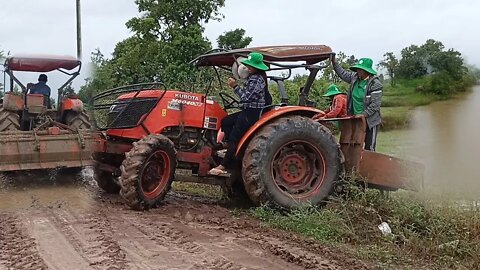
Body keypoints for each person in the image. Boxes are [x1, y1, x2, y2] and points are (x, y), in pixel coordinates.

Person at [208, 52, 269, 175]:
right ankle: (226, 144)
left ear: (257, 67)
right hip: (248, 110)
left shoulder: (257, 79)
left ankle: (223, 165)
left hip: (252, 113)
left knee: (235, 138)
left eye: (250, 66)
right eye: (248, 65)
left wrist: (235, 86)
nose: (248, 68)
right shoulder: (253, 78)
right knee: (226, 121)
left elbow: (246, 98)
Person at [332, 55, 383, 151]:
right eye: (358, 69)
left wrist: (363, 114)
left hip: (370, 121)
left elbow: (375, 105)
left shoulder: (375, 84)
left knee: (369, 147)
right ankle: (355, 165)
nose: (358, 71)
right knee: (354, 145)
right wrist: (335, 63)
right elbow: (342, 74)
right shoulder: (354, 78)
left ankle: (369, 165)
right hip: (355, 119)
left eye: (361, 69)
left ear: (367, 71)